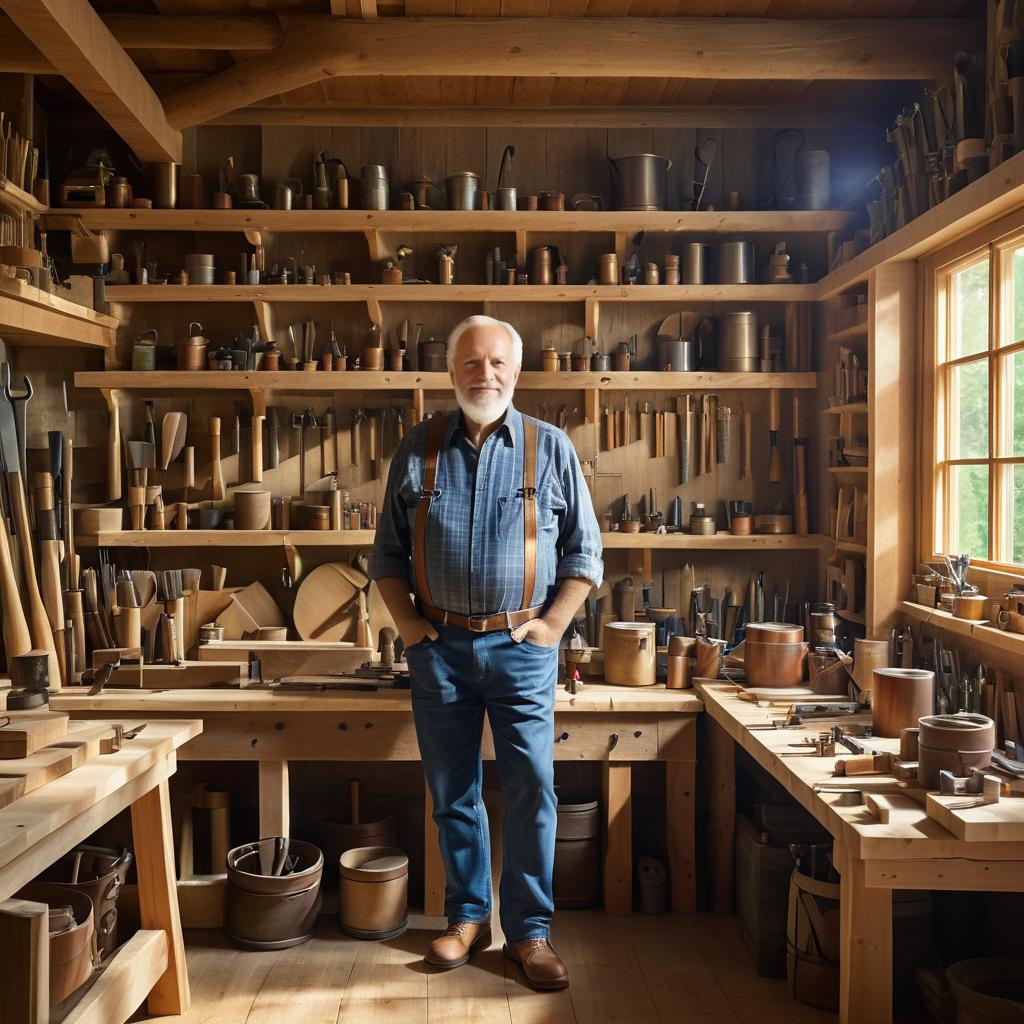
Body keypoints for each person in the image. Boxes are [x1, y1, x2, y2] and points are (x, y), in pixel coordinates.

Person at [370, 314, 603, 991]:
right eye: (471, 363)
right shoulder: (417, 450)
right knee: (453, 792)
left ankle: (530, 933)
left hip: (522, 646)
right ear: (452, 373)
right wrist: (411, 629)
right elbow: (385, 555)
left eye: (497, 362)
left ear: (516, 371)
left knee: (532, 788)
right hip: (438, 647)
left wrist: (553, 627)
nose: (485, 374)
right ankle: (467, 919)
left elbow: (584, 554)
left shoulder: (550, 448)